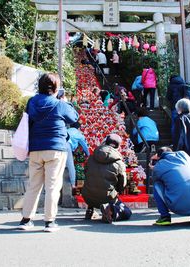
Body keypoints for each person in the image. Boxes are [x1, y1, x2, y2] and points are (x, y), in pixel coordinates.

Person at [16, 73, 79, 232]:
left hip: (36, 148)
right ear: (56, 88)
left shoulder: (32, 102)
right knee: (52, 186)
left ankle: (26, 220)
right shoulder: (60, 104)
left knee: (33, 186)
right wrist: (66, 102)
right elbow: (74, 118)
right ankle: (49, 222)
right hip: (56, 149)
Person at [82, 134, 132, 223]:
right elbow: (122, 184)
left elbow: (85, 173)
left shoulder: (91, 157)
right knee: (127, 212)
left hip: (88, 196)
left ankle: (90, 210)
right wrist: (117, 190)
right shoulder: (119, 163)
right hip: (106, 198)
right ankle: (110, 211)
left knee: (94, 181)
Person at [66, 122, 90, 190]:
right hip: (68, 147)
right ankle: (73, 185)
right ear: (78, 128)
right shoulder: (78, 134)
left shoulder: (67, 130)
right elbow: (85, 146)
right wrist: (88, 154)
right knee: (71, 166)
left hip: (59, 146)